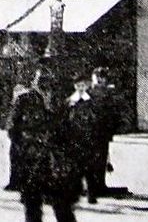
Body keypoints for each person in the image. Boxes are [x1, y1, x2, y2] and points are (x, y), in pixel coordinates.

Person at [7, 59, 80, 222]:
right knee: (32, 207)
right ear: (34, 81)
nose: (44, 83)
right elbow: (12, 128)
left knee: (62, 206)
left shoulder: (60, 102)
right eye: (40, 79)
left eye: (47, 79)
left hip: (54, 162)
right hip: (31, 160)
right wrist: (24, 148)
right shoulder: (24, 100)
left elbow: (67, 130)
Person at [88, 66, 122, 199]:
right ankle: (94, 186)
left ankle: (99, 185)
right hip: (93, 131)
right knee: (94, 158)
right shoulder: (90, 93)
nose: (99, 81)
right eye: (98, 78)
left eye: (102, 78)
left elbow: (113, 112)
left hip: (102, 130)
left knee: (101, 157)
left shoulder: (106, 93)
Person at [66, 74, 99, 203]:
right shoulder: (70, 101)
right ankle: (76, 193)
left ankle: (92, 194)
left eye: (83, 86)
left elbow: (94, 119)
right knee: (75, 167)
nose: (81, 88)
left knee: (89, 168)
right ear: (75, 86)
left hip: (87, 137)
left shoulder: (90, 101)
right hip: (74, 137)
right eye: (78, 86)